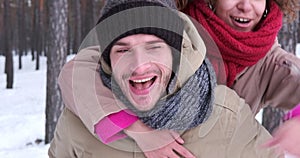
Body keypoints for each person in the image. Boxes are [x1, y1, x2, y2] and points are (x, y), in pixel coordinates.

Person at [48, 0, 283, 157]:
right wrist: (131, 125)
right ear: (108, 58)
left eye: (154, 47)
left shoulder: (224, 114)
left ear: (177, 51)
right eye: (122, 50)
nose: (139, 65)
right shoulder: (80, 119)